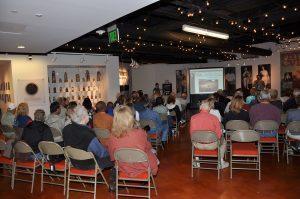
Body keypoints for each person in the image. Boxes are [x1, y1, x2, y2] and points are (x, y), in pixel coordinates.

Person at [107, 105, 158, 178]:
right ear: (131, 118)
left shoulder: (112, 136)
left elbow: (112, 156)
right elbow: (148, 147)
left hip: (123, 167)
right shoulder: (140, 132)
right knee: (153, 152)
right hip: (142, 166)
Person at [63, 105, 112, 170]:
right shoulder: (88, 134)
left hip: (73, 161)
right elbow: (101, 153)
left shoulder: (66, 129)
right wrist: (110, 151)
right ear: (84, 117)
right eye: (87, 114)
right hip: (88, 164)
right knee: (112, 158)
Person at [190, 99, 229, 169]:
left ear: (200, 108)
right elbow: (218, 135)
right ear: (209, 108)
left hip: (197, 145)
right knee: (224, 141)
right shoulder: (214, 118)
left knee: (193, 139)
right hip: (212, 145)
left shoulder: (193, 118)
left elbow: (191, 134)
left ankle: (197, 162)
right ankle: (221, 162)